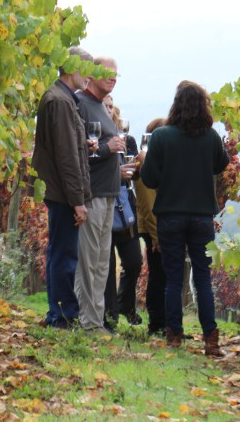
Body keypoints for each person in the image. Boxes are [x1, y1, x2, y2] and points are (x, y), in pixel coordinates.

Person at [139, 81, 229, 357]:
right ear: (203, 106)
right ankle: (210, 339)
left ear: (176, 104)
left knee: (173, 278)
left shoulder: (162, 137)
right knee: (203, 277)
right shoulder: (211, 137)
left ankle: (174, 335)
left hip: (170, 216)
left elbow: (149, 178)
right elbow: (221, 164)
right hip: (202, 216)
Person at [32, 46, 92, 329]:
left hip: (59, 190)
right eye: (87, 70)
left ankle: (59, 314)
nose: (90, 77)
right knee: (64, 255)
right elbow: (66, 157)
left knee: (60, 252)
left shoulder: (62, 98)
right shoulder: (60, 101)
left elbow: (68, 148)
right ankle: (62, 316)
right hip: (62, 193)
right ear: (72, 68)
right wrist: (77, 200)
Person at [75, 57, 125, 333]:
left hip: (109, 192)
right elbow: (78, 152)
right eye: (107, 73)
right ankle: (89, 322)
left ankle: (95, 321)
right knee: (90, 260)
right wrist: (108, 148)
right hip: (91, 193)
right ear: (91, 74)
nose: (113, 78)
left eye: (117, 74)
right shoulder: (81, 104)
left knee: (102, 263)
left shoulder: (102, 107)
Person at [102, 98, 143, 328]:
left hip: (125, 211)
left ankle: (124, 305)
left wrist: (137, 166)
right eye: (104, 106)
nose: (107, 109)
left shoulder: (127, 141)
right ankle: (111, 315)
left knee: (134, 262)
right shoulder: (94, 141)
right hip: (105, 210)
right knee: (106, 267)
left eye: (110, 106)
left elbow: (135, 176)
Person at [132, 117, 167, 336]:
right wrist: (157, 238)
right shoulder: (147, 164)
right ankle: (157, 324)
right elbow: (149, 205)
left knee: (161, 275)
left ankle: (161, 322)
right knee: (159, 276)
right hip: (155, 230)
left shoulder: (154, 161)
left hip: (156, 229)